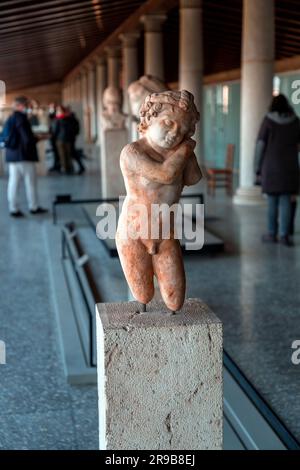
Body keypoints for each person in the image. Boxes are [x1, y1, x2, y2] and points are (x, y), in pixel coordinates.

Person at [255, 94, 300, 246]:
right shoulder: (295, 121)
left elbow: (260, 145)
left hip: (271, 167)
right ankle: (284, 235)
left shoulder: (268, 121)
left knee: (272, 201)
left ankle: (271, 233)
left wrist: (257, 167)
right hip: (290, 167)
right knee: (286, 200)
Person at [2, 96, 48, 217]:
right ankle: (34, 207)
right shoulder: (21, 118)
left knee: (13, 182)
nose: (29, 108)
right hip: (24, 156)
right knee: (30, 182)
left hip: (12, 155)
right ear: (21, 106)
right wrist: (39, 138)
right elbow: (27, 138)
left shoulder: (11, 118)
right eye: (28, 105)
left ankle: (13, 209)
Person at [53, 105, 74, 174]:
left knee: (62, 155)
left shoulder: (58, 119)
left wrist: (54, 137)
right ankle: (70, 167)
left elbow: (55, 130)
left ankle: (64, 168)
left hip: (60, 139)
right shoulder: (69, 118)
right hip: (68, 138)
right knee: (68, 154)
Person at [66, 107, 85, 174]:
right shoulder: (70, 118)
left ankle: (81, 166)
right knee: (72, 153)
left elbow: (73, 129)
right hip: (70, 138)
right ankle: (80, 166)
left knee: (73, 152)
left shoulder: (71, 119)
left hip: (70, 138)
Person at [47, 103, 61, 172]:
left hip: (55, 137)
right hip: (54, 137)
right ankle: (56, 165)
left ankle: (57, 166)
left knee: (57, 153)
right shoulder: (54, 117)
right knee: (55, 153)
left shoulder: (56, 116)